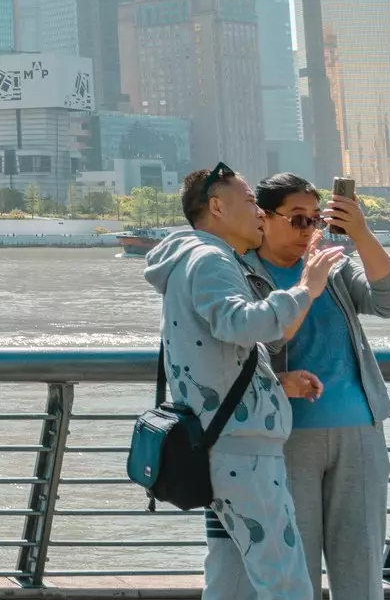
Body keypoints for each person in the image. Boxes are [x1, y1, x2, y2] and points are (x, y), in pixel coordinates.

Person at [145, 163, 345, 600]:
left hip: (218, 443)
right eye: (251, 201)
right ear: (216, 207)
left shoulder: (192, 258)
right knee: (286, 580)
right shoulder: (211, 258)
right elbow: (240, 323)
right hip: (242, 453)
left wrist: (275, 382)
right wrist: (306, 288)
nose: (258, 211)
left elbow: (220, 347)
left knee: (229, 579)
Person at [241, 175, 390, 600]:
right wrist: (306, 286)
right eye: (297, 219)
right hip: (282, 437)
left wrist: (360, 232)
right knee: (293, 576)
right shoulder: (242, 271)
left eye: (315, 219)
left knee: (362, 575)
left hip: (360, 432)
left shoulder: (332, 263)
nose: (308, 230)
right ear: (263, 217)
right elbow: (266, 340)